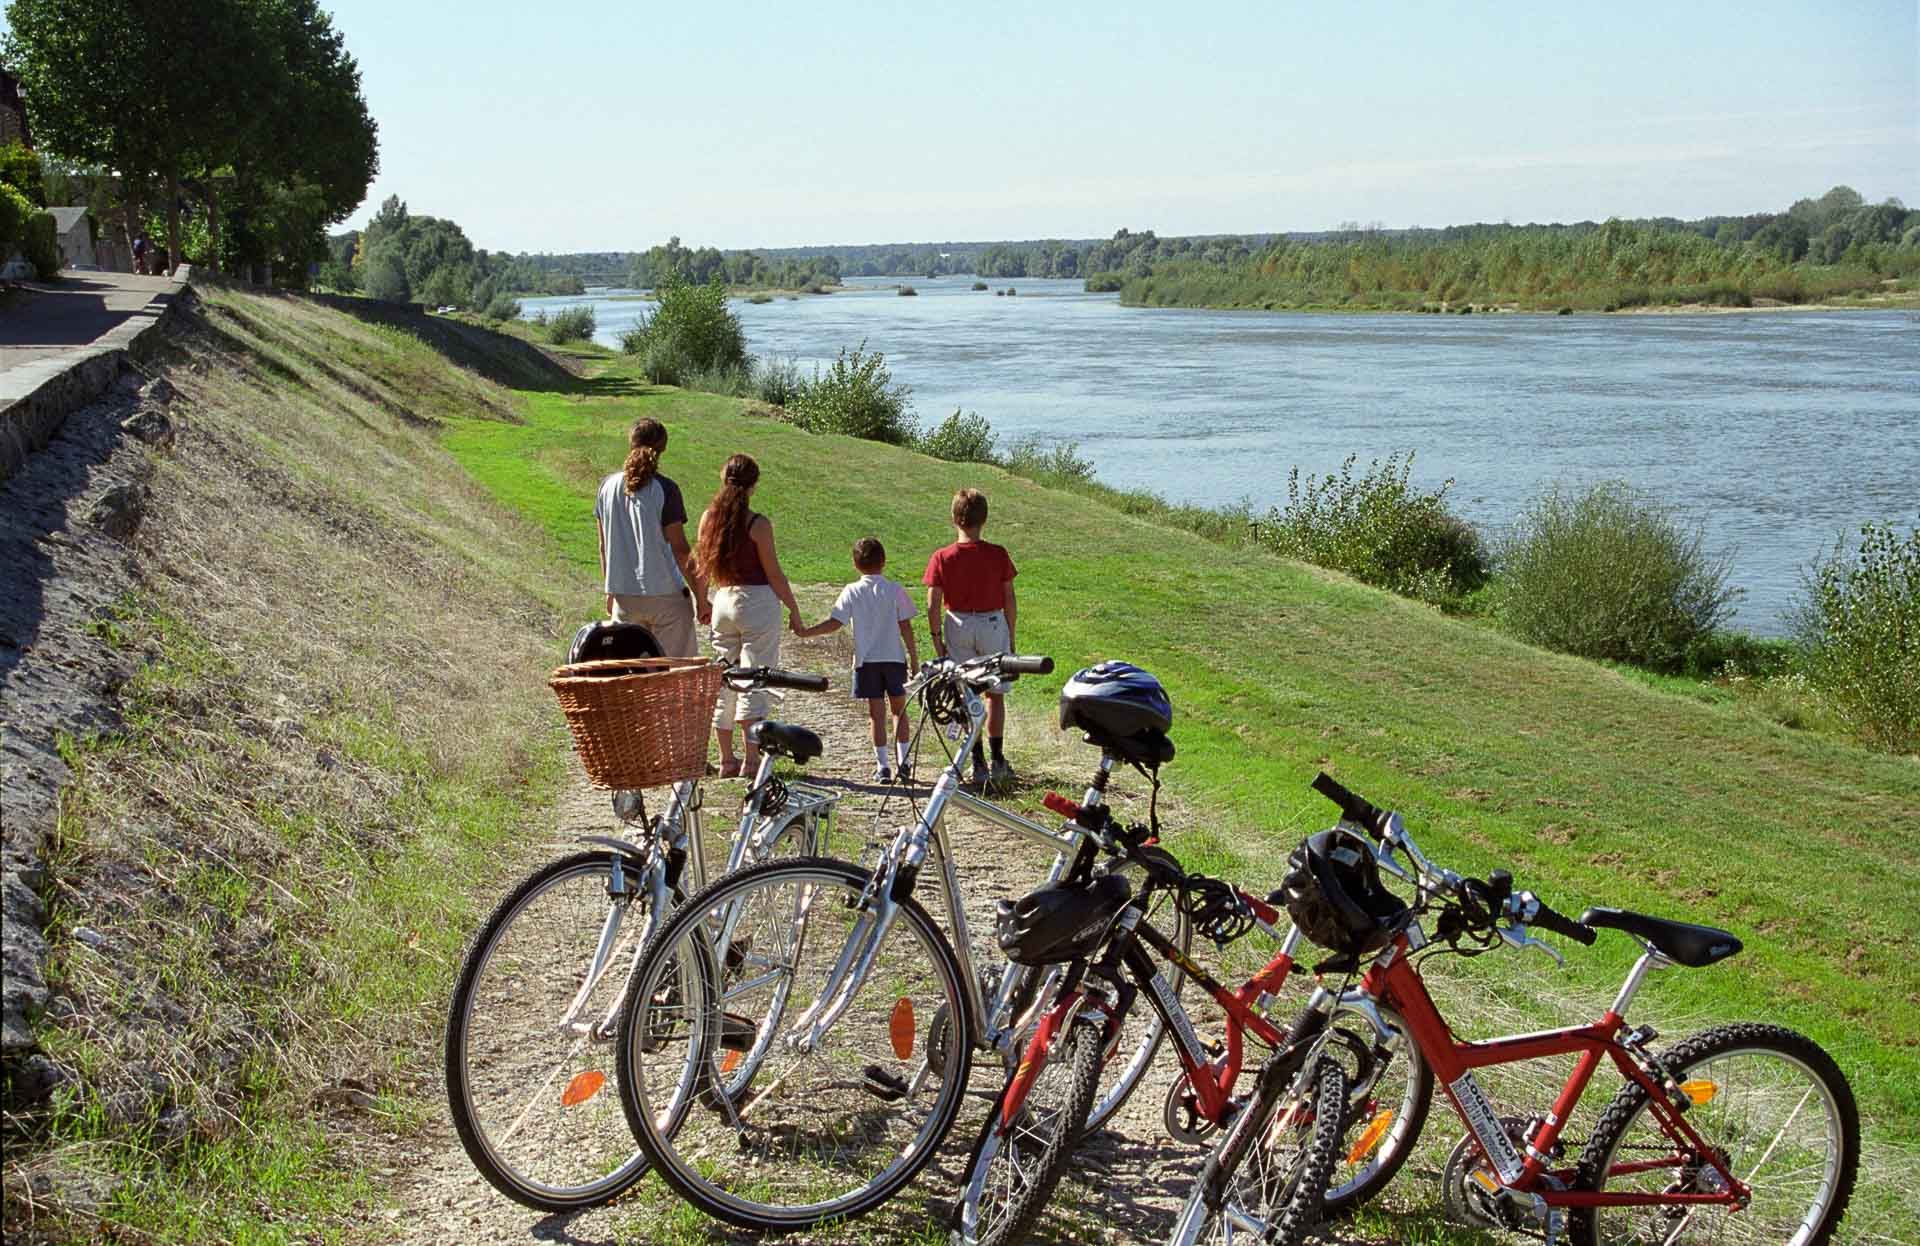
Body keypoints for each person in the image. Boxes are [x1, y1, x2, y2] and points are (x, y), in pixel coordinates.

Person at [696, 454, 803, 778]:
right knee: (753, 678)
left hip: (724, 599)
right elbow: (774, 574)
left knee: (724, 678)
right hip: (755, 600)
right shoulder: (758, 524)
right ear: (753, 485)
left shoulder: (709, 519)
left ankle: (727, 759)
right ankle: (751, 759)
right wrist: (794, 610)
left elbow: (700, 568)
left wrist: (703, 602)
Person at [794, 538, 920, 784]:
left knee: (876, 714)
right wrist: (914, 658)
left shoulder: (852, 591)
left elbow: (835, 622)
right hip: (894, 658)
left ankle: (883, 766)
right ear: (884, 561)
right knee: (899, 711)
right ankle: (904, 764)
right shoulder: (894, 589)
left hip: (867, 661)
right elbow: (905, 626)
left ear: (855, 564)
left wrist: (806, 632)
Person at [924, 487, 1018, 790]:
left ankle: (976, 760)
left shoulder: (942, 557)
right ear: (984, 519)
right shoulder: (998, 554)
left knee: (968, 694)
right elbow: (1009, 598)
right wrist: (1011, 635)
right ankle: (998, 757)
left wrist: (936, 635)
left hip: (958, 622)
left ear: (955, 518)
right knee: (996, 693)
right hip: (991, 621)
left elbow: (933, 601)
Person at [595, 418, 705, 657]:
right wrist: (701, 597)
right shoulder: (665, 489)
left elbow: (604, 546)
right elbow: (680, 549)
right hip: (665, 594)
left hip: (625, 596)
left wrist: (609, 591)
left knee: (633, 674)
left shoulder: (606, 487)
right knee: (675, 673)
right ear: (662, 448)